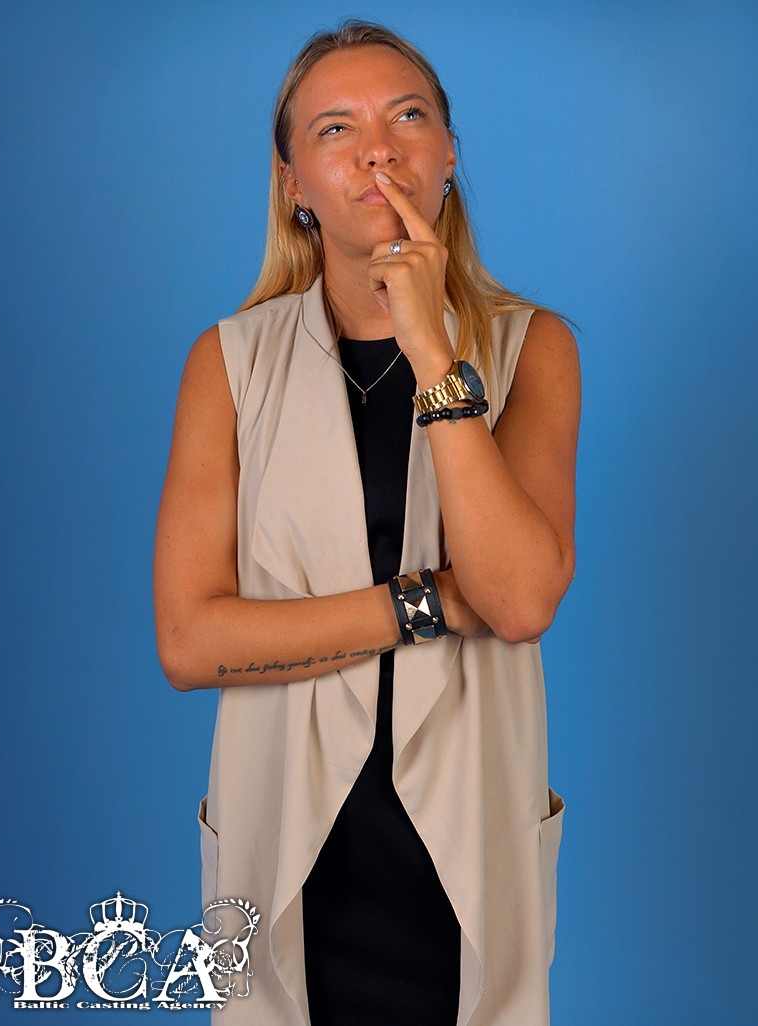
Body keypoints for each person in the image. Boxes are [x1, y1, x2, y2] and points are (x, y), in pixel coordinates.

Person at [154, 19, 580, 1026]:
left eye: (407, 117)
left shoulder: (529, 348)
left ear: (448, 155)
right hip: (288, 851)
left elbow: (520, 599)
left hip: (464, 851)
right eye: (336, 128)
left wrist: (430, 345)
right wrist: (425, 603)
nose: (377, 150)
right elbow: (190, 641)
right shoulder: (228, 365)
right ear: (293, 182)